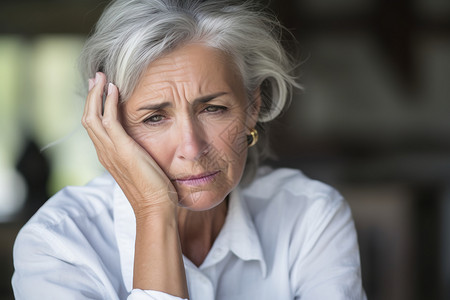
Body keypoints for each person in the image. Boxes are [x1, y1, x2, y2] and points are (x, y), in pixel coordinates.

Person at [12, 0, 367, 299]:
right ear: (111, 126)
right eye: (154, 117)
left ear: (253, 107)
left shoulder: (309, 218)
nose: (192, 148)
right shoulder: (59, 244)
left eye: (213, 109)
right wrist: (154, 211)